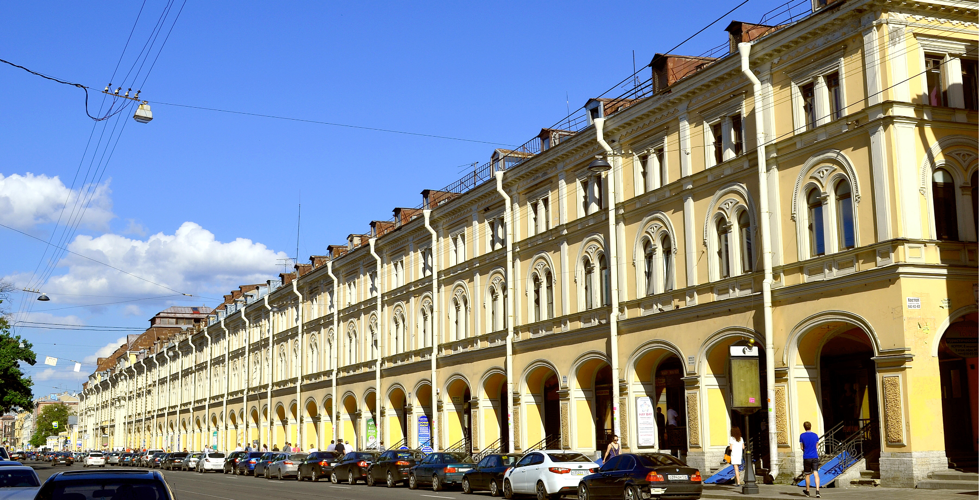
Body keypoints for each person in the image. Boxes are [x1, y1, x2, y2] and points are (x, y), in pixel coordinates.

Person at [800, 421, 820, 498]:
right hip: (814, 456)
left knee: (807, 474)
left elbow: (802, 447)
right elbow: (817, 446)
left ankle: (807, 491)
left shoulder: (802, 436)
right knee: (816, 473)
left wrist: (805, 450)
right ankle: (817, 491)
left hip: (807, 457)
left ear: (804, 427)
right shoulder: (815, 435)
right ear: (810, 426)